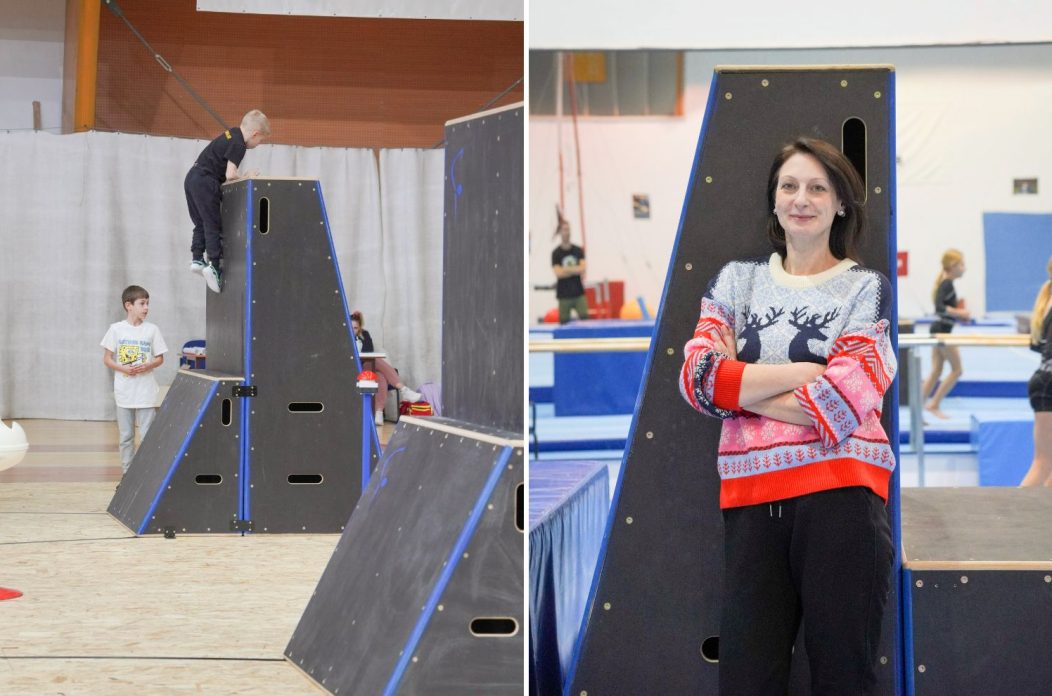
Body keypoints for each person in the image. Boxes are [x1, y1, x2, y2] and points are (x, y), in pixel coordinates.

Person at [679, 137, 896, 695]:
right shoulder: (736, 282)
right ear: (774, 200)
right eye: (790, 186)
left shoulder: (865, 289)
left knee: (844, 675)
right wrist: (805, 372)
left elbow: (845, 401)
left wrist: (740, 385)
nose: (802, 198)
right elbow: (697, 380)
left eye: (818, 187)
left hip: (842, 495)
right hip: (752, 501)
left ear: (841, 203)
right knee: (749, 677)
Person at [185, 109, 270, 293]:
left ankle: (197, 258)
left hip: (192, 177)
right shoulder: (239, 144)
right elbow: (230, 174)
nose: (258, 144)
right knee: (212, 223)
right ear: (255, 134)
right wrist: (246, 176)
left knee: (200, 221)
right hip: (206, 181)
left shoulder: (231, 133)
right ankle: (214, 266)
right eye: (260, 140)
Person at [100, 285, 169, 475]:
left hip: (146, 390)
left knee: (148, 435)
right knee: (126, 436)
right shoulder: (116, 329)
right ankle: (127, 474)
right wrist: (123, 368)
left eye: (147, 303)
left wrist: (147, 366)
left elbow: (160, 358)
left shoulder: (152, 330)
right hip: (124, 391)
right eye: (142, 303)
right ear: (128, 305)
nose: (146, 307)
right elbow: (107, 359)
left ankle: (147, 474)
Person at [919, 249, 971, 419]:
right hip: (942, 332)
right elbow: (940, 308)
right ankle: (934, 403)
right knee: (957, 370)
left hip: (940, 329)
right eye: (962, 265)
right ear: (953, 266)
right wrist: (960, 312)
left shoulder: (945, 282)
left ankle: (917, 410)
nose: (964, 268)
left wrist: (957, 314)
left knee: (936, 371)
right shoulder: (946, 283)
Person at [351, 311, 423, 426]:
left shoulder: (365, 335)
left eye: (355, 328)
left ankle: (379, 412)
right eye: (351, 327)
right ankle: (403, 389)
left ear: (359, 328)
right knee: (377, 368)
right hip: (353, 369)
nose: (353, 330)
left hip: (367, 366)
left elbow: (368, 352)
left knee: (378, 370)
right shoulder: (343, 338)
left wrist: (359, 341)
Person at [1021, 257, 1052, 486]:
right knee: (1043, 462)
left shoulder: (1047, 298)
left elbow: (1038, 345)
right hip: (1047, 383)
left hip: (1044, 380)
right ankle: (1014, 514)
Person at [551, 215, 589, 323]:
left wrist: (565, 269)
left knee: (586, 321)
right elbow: (558, 274)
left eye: (568, 229)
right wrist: (575, 270)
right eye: (564, 230)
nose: (566, 232)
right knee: (563, 323)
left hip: (578, 293)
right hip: (563, 295)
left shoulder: (578, 250)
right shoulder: (556, 253)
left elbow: (582, 268)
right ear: (560, 232)